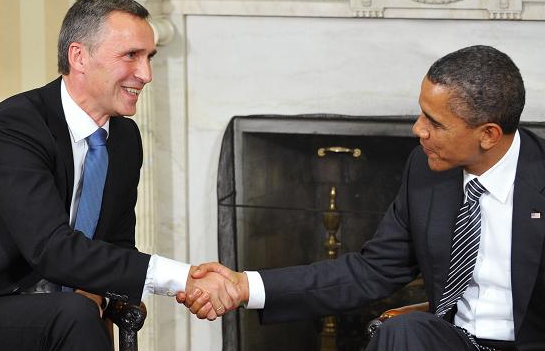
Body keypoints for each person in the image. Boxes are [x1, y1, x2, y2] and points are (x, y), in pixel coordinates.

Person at [180, 45, 542, 351]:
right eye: (421, 114)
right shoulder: (427, 169)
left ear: (489, 134)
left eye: (435, 123)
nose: (418, 129)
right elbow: (371, 270)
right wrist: (244, 286)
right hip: (453, 340)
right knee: (400, 332)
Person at [0, 0, 235, 351]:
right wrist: (181, 278)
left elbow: (115, 243)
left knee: (77, 310)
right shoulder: (15, 126)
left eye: (149, 58)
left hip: (54, 312)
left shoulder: (124, 138)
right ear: (79, 56)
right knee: (74, 314)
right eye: (131, 55)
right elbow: (51, 249)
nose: (145, 74)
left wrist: (100, 293)